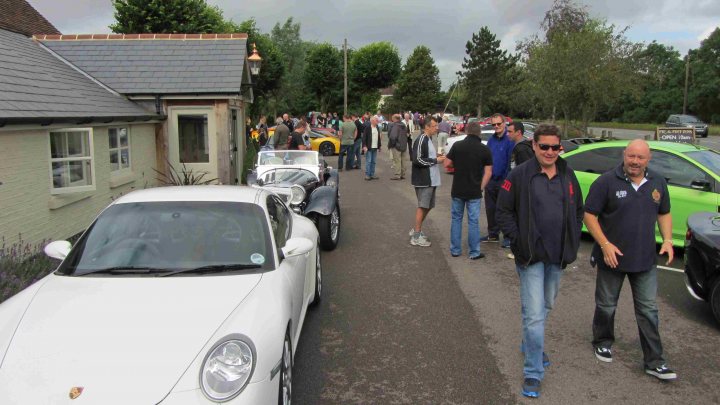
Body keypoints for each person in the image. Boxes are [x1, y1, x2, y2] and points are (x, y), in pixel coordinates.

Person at [496, 123, 584, 399]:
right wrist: (518, 240)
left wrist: (572, 239)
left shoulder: (568, 175)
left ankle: (530, 342)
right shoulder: (520, 175)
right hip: (530, 257)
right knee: (534, 316)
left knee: (545, 306)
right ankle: (533, 371)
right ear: (534, 146)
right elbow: (503, 212)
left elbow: (578, 210)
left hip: (558, 256)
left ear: (560, 147)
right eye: (543, 146)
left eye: (554, 147)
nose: (549, 152)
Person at [583, 139, 677, 381]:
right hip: (611, 258)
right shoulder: (606, 181)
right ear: (624, 155)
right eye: (631, 156)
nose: (635, 161)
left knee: (648, 310)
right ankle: (602, 341)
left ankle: (654, 361)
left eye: (640, 158)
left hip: (644, 259)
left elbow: (664, 212)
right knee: (606, 304)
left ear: (649, 159)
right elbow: (589, 215)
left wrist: (667, 239)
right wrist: (605, 245)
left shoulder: (657, 183)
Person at [443, 121, 493, 259]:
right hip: (474, 191)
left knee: (456, 219)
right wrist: (481, 187)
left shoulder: (457, 146)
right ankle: (474, 252)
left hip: (458, 189)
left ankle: (455, 250)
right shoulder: (484, 149)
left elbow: (446, 163)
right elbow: (489, 172)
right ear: (479, 133)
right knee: (473, 221)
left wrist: (457, 163)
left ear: (466, 131)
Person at [483, 113, 514, 248]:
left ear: (504, 123)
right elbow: (486, 160)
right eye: (493, 124)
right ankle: (493, 234)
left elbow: (510, 163)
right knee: (490, 209)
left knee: (505, 210)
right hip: (490, 180)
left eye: (498, 124)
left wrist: (507, 181)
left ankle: (508, 237)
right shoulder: (491, 140)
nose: (496, 126)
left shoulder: (510, 140)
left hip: (504, 180)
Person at [409, 116, 440, 247]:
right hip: (423, 179)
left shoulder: (429, 139)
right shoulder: (421, 139)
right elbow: (417, 159)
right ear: (427, 127)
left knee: (428, 206)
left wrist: (436, 157)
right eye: (434, 126)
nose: (437, 128)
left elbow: (425, 157)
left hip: (431, 179)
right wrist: (435, 161)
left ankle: (416, 229)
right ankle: (416, 236)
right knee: (423, 206)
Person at [387, 114, 409, 180]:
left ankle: (397, 175)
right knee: (403, 160)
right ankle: (403, 174)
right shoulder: (403, 125)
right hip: (404, 145)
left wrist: (392, 145)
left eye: (392, 118)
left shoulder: (395, 126)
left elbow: (392, 137)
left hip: (397, 145)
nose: (392, 119)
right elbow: (407, 134)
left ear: (395, 119)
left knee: (397, 161)